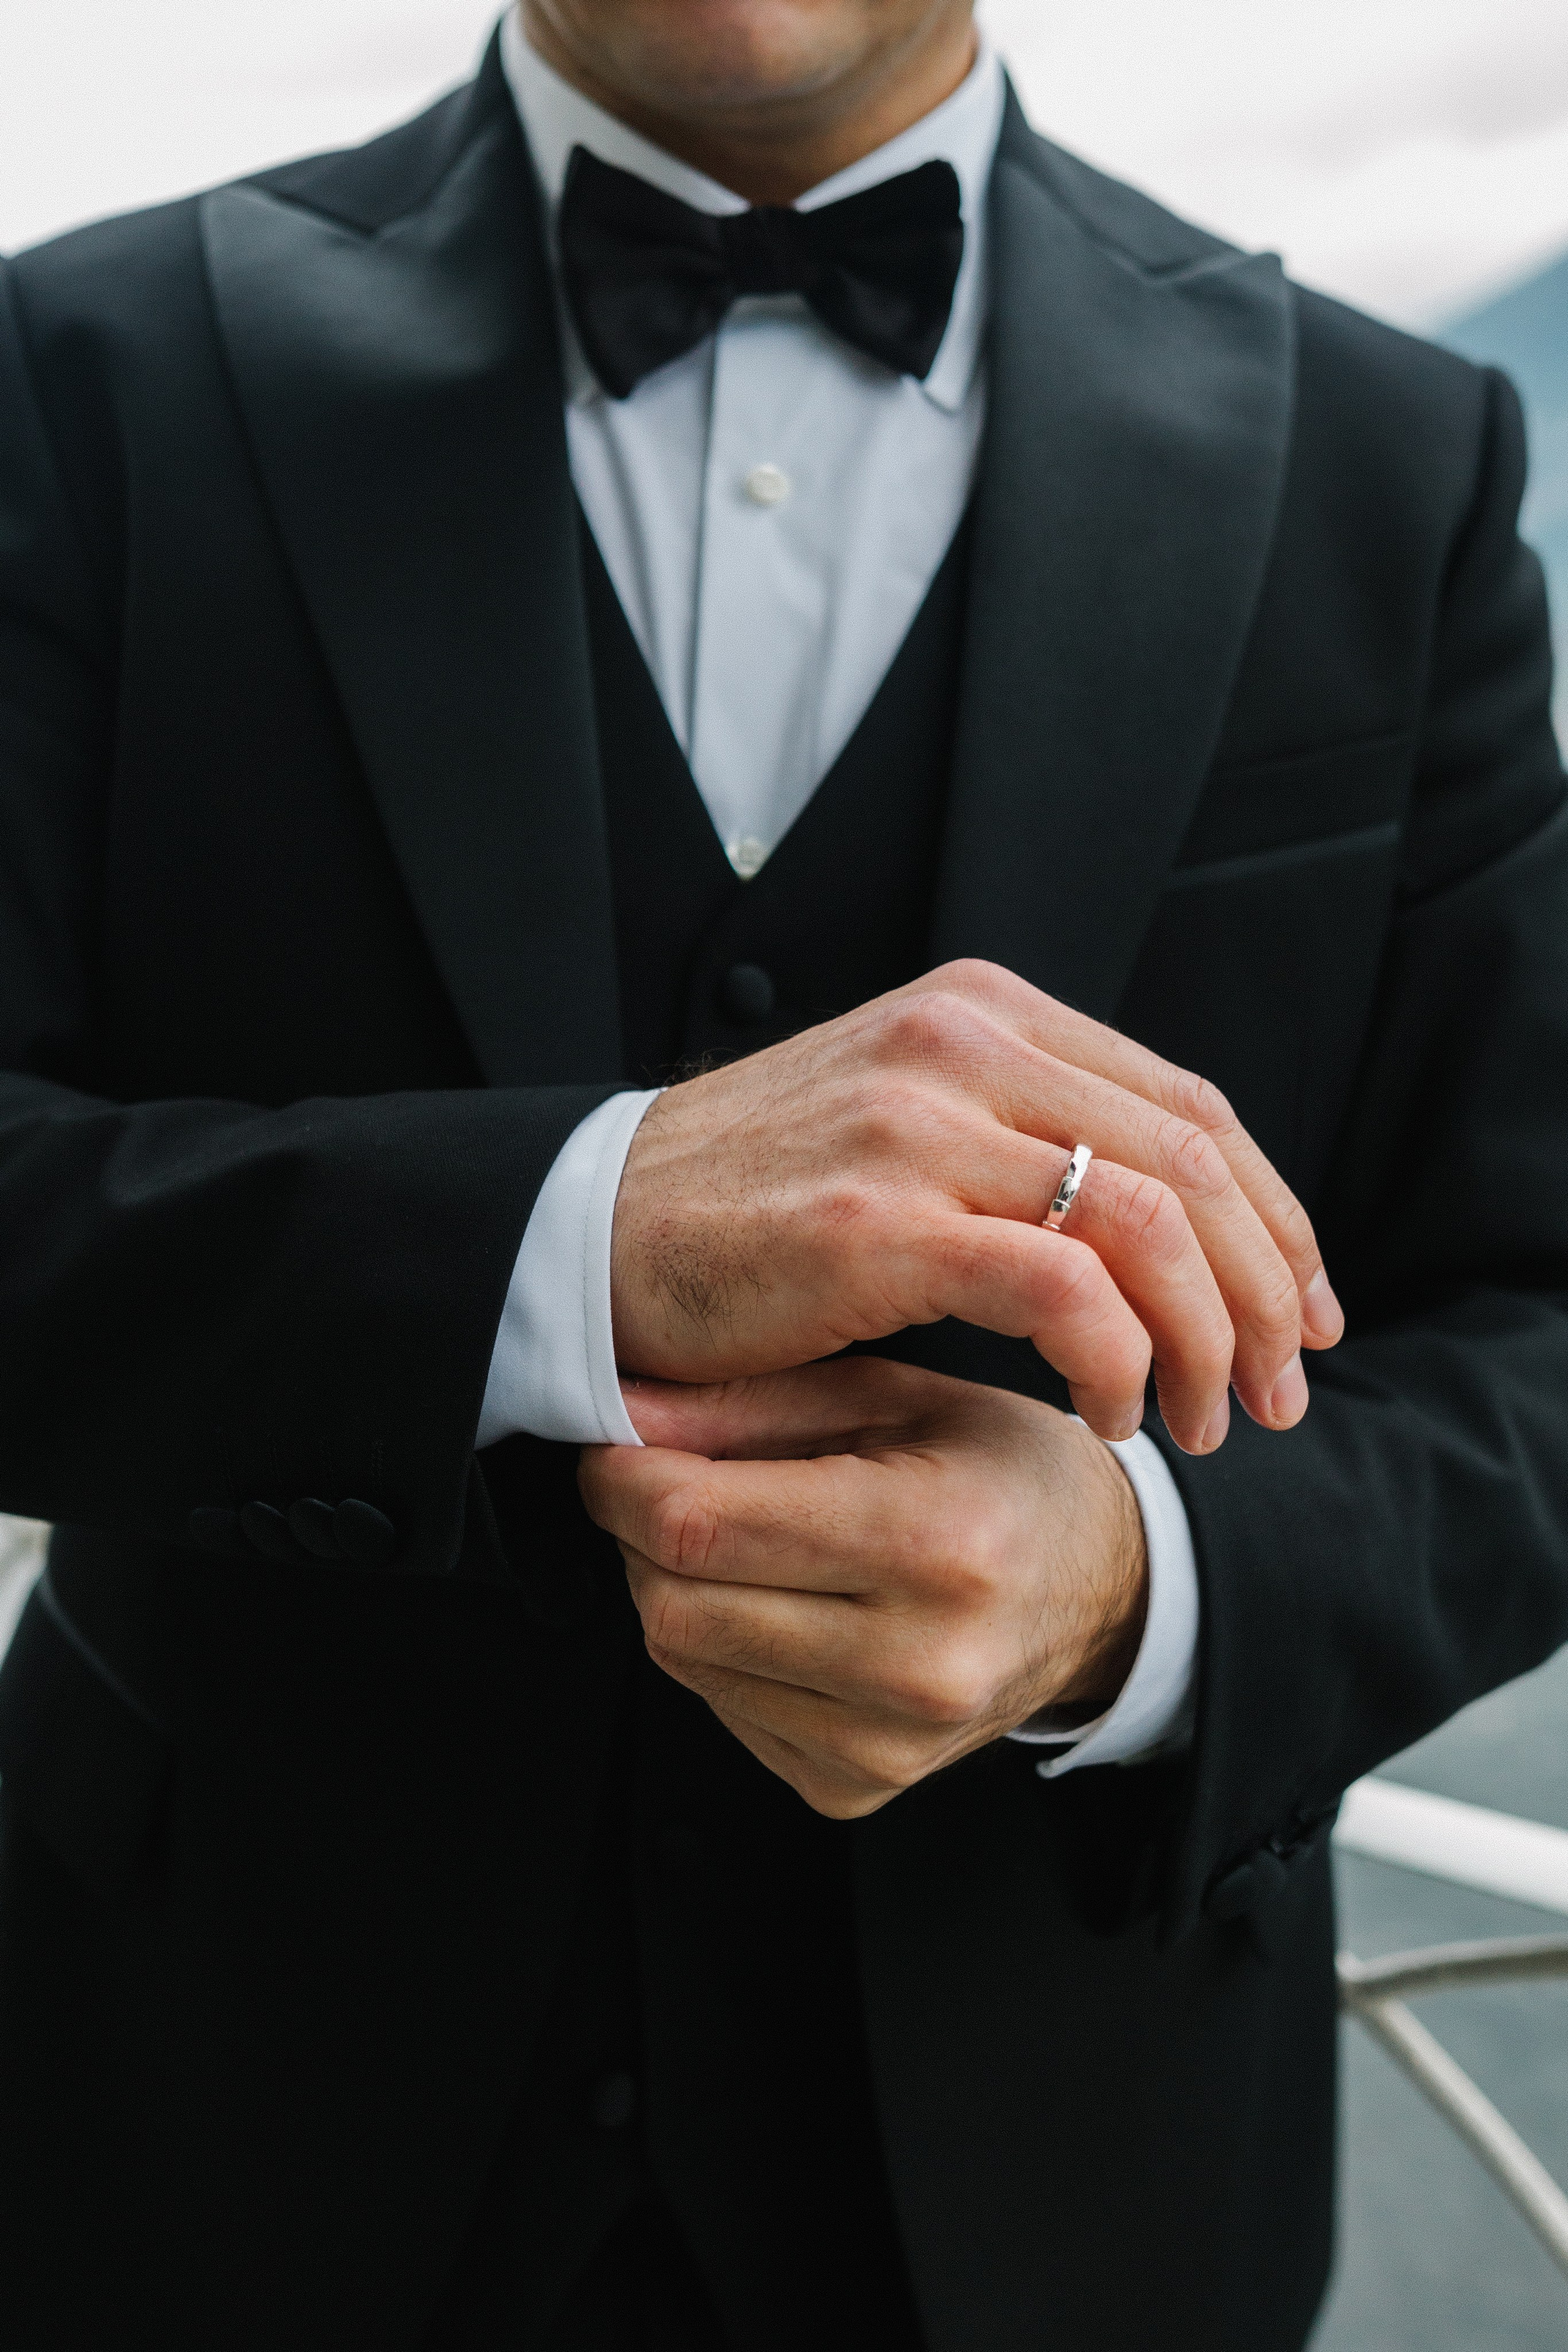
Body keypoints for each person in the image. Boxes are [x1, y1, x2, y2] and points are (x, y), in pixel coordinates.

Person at [0, 1, 1565, 2344]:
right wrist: (569, 1229)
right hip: (211, 2144)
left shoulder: (1395, 451)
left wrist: (1142, 1588)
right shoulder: (72, 370)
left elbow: (1539, 1319)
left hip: (1079, 2188)